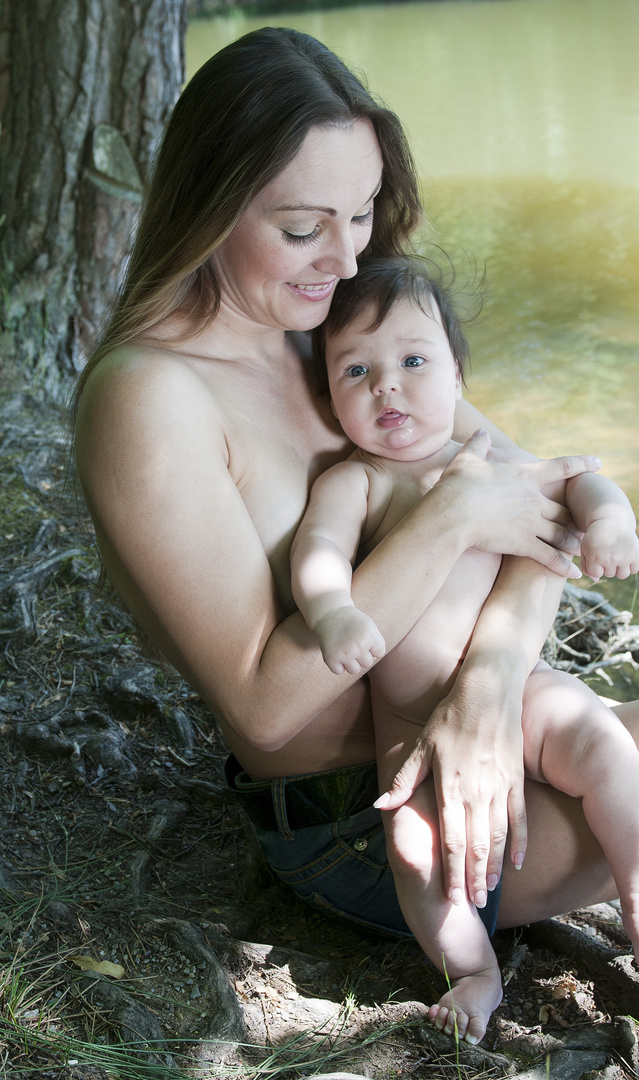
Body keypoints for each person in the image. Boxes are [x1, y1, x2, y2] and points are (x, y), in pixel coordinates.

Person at [73, 26, 639, 1050]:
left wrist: (487, 687)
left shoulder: (333, 324)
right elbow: (266, 713)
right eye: (302, 226)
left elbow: (537, 507)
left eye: (363, 209)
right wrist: (455, 518)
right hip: (366, 818)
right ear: (212, 207)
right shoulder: (150, 399)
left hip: (494, 725)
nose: (347, 256)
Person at [291, 254, 639, 1043]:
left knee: (600, 746)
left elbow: (579, 482)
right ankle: (475, 970)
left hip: (523, 695)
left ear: (456, 376)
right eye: (356, 370)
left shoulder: (486, 461)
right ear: (329, 396)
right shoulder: (360, 483)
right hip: (412, 733)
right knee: (415, 854)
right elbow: (315, 550)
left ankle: (632, 888)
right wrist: (333, 610)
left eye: (413, 361)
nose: (387, 385)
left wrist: (611, 521)